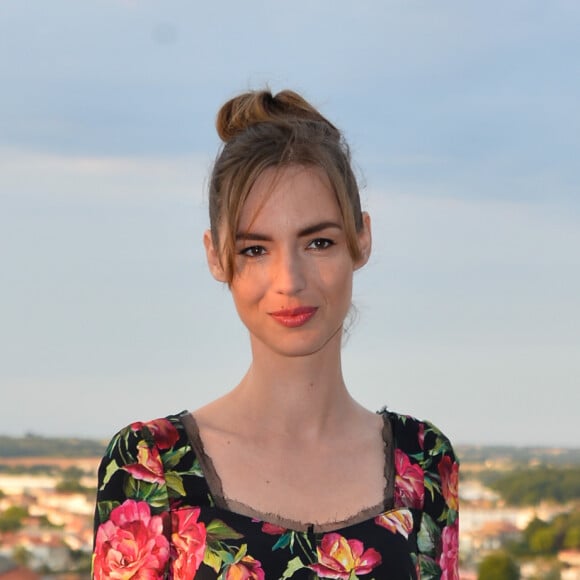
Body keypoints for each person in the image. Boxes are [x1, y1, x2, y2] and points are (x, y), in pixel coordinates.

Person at [92, 89, 459, 579]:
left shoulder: (425, 458)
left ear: (362, 239)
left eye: (319, 242)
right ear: (216, 256)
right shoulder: (149, 467)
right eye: (255, 250)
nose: (290, 280)